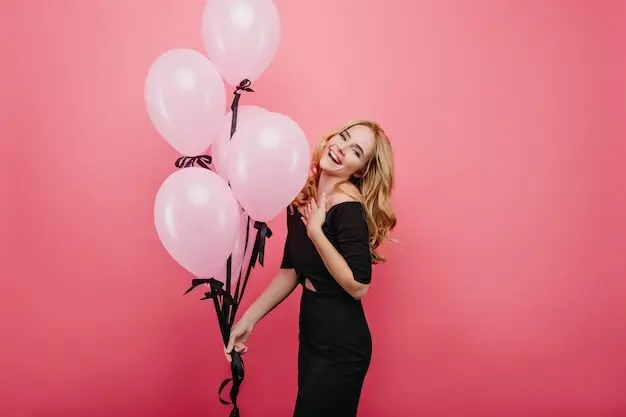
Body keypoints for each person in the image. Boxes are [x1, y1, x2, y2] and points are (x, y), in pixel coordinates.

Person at [225, 119, 396, 417]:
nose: (341, 148)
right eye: (343, 137)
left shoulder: (347, 206)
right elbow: (291, 271)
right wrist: (248, 320)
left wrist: (316, 233)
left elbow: (359, 285)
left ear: (359, 171)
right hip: (313, 335)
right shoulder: (303, 196)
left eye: (355, 151)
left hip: (342, 345)